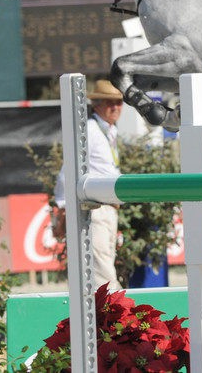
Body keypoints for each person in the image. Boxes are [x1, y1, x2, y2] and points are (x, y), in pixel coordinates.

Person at [52, 80, 125, 289]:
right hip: (96, 210)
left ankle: (109, 315)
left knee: (102, 267)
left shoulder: (108, 130)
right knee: (103, 274)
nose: (116, 107)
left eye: (119, 102)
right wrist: (64, 206)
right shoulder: (91, 131)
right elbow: (68, 170)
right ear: (97, 105)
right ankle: (119, 316)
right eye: (110, 102)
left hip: (108, 210)